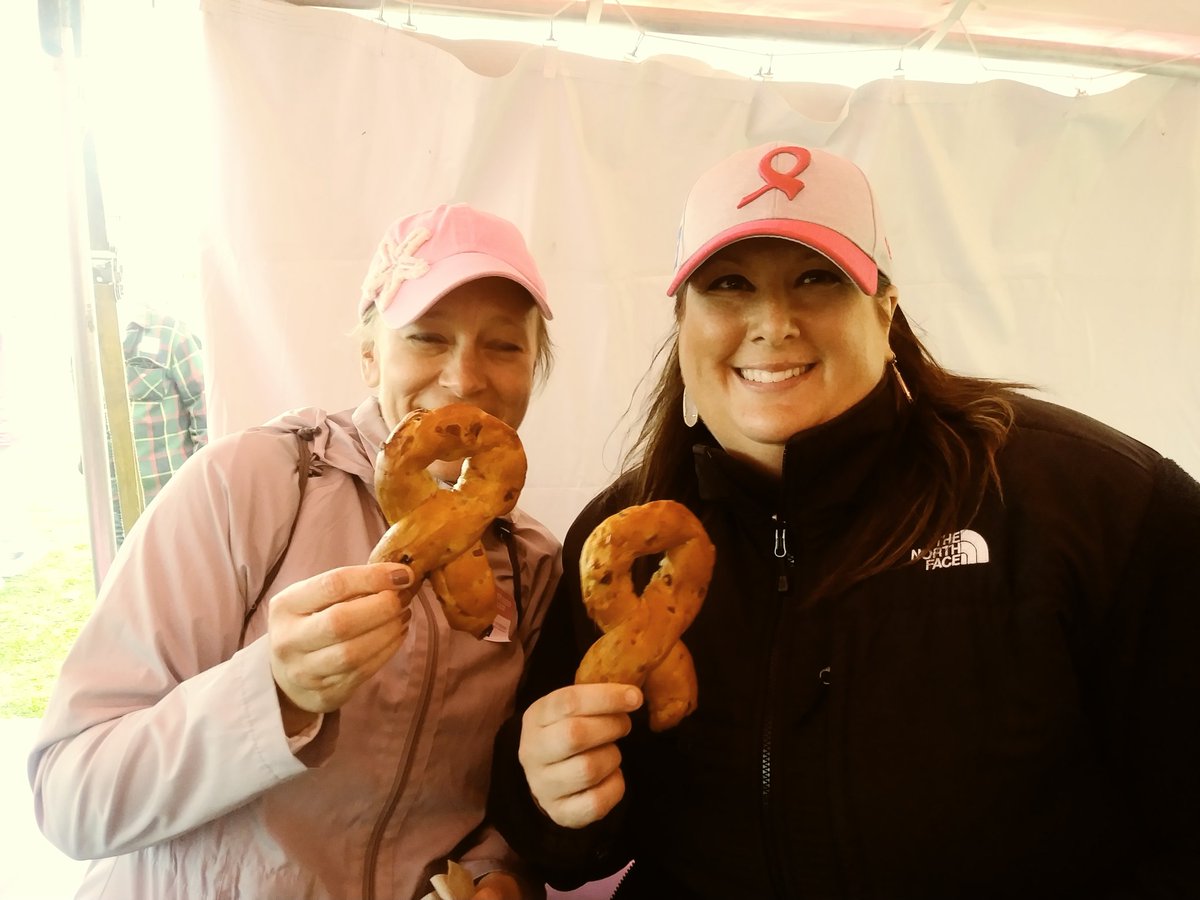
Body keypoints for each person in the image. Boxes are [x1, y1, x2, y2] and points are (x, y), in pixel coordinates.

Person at [487, 143, 1200, 899]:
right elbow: (569, 855)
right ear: (682, 322)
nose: (773, 323)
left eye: (817, 279)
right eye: (728, 285)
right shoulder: (621, 543)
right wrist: (547, 797)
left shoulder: (1095, 501)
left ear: (885, 311)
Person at [30, 203, 563, 900]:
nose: (465, 379)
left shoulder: (532, 563)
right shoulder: (252, 487)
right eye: (428, 338)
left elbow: (494, 800)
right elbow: (71, 796)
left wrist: (499, 876)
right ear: (371, 357)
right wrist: (272, 692)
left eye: (503, 345)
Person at [109, 295, 209, 544]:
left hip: (166, 499)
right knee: (118, 576)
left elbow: (205, 408)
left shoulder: (172, 335)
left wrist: (197, 483)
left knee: (176, 577)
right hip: (111, 503)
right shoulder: (84, 343)